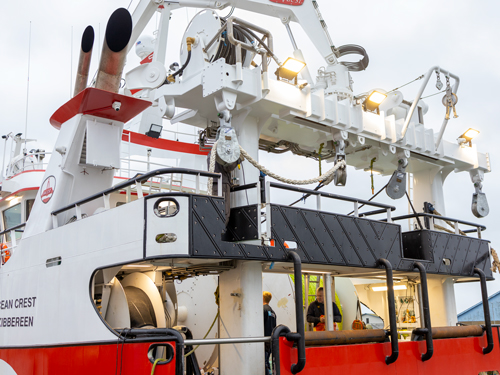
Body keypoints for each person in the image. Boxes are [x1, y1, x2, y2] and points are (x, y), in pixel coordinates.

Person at [263, 291, 276, 375]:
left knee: (264, 363)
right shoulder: (273, 312)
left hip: (263, 341)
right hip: (270, 340)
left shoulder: (262, 310)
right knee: (267, 361)